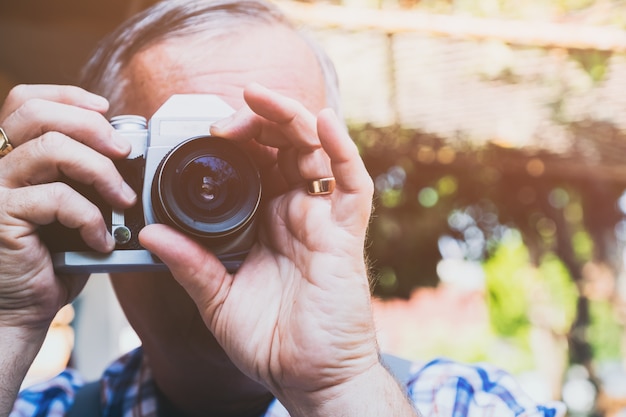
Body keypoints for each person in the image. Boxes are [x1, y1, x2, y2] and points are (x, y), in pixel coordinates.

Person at [1, 1, 566, 416]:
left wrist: (342, 390)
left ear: (332, 183)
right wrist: (8, 320)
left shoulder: (473, 405)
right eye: (178, 161)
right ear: (99, 170)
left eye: (267, 163)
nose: (220, 195)